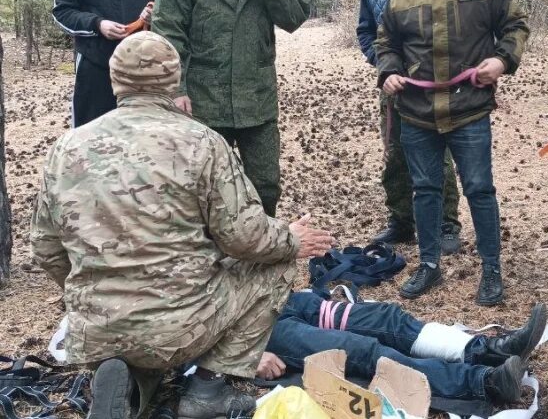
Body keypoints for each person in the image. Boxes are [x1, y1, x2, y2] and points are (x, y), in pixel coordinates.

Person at [30, 31, 334, 419]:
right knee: (277, 261)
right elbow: (245, 238)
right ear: (174, 81)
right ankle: (206, 390)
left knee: (142, 334)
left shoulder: (66, 148)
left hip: (94, 329)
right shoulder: (202, 142)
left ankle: (131, 380)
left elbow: (44, 249)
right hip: (181, 326)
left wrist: (95, 294)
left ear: (114, 79)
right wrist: (291, 238)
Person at [375, 0, 530, 305]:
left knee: (479, 189)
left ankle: (491, 269)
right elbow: (386, 42)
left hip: (468, 110)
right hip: (417, 113)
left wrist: (501, 60)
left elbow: (515, 26)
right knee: (425, 189)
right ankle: (429, 265)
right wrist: (388, 71)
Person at [152, 0, 311, 216]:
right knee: (203, 184)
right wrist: (177, 88)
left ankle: (261, 250)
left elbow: (296, 15)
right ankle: (211, 255)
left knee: (265, 184)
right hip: (203, 98)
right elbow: (167, 31)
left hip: (256, 97)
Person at [356, 0, 462, 252]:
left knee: (437, 155)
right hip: (392, 87)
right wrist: (384, 68)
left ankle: (447, 224)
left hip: (432, 85)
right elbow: (366, 31)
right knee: (395, 154)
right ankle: (401, 222)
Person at [259, 294, 548, 404]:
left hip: (278, 299)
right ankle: (484, 383)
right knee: (364, 352)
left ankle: (487, 350)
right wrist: (249, 356)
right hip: (253, 332)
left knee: (386, 319)